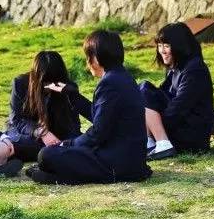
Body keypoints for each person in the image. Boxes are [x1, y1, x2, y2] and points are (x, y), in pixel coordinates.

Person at [27, 30, 151, 185]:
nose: (87, 63)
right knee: (55, 153)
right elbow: (100, 118)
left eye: (88, 57)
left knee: (46, 155)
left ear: (96, 58)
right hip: (130, 158)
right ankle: (54, 173)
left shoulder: (109, 83)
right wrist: (73, 95)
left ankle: (55, 176)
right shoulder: (122, 76)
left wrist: (67, 144)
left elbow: (98, 133)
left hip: (115, 163)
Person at [140, 22, 214, 160]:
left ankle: (162, 143)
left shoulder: (194, 69)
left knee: (145, 90)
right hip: (180, 125)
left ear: (179, 46)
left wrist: (158, 124)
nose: (162, 51)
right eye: (160, 46)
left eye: (166, 46)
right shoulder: (175, 66)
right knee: (143, 91)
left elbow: (179, 107)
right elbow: (161, 96)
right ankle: (150, 141)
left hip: (193, 135)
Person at [5, 51, 91, 162]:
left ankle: (55, 153)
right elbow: (16, 119)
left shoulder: (68, 89)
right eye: (45, 82)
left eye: (53, 82)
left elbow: (73, 125)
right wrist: (42, 132)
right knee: (13, 143)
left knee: (80, 143)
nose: (49, 86)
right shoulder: (20, 84)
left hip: (58, 137)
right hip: (28, 134)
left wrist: (67, 142)